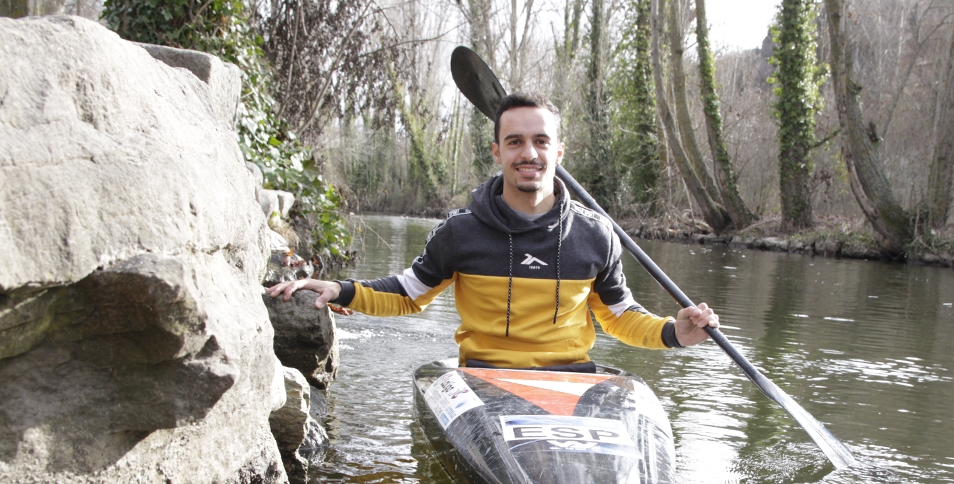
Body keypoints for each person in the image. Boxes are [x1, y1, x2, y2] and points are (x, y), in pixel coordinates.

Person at [265, 92, 719, 370]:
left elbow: (620, 316)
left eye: (541, 140)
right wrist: (341, 290)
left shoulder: (596, 235)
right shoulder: (461, 233)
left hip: (570, 379)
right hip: (482, 376)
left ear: (558, 151)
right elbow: (407, 293)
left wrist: (673, 333)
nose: (529, 152)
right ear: (497, 151)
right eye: (515, 141)